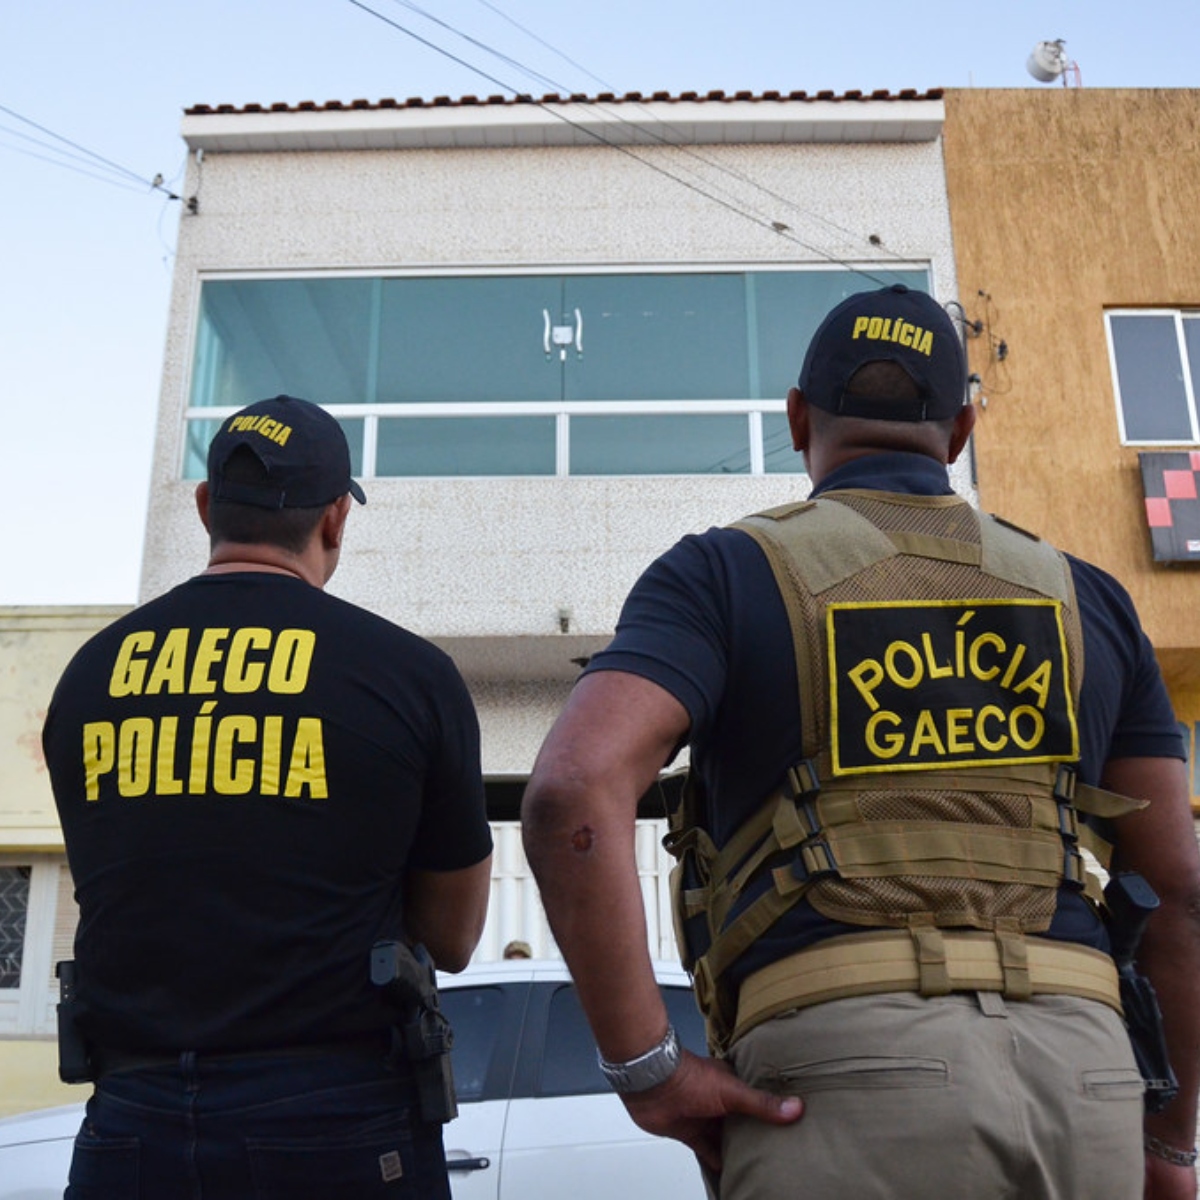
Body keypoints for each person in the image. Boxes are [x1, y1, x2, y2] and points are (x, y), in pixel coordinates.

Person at [522, 286, 1200, 1200]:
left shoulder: (725, 573)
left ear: (797, 416)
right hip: (1081, 1071)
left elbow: (573, 790)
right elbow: (1182, 893)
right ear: (959, 429)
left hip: (840, 1070)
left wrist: (648, 1066)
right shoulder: (1088, 598)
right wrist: (1168, 1142)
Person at [43, 394, 493, 1200]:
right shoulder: (406, 675)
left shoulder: (88, 678)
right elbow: (454, 938)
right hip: (336, 1118)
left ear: (208, 506)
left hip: (129, 1118)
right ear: (333, 520)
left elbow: (122, 881)